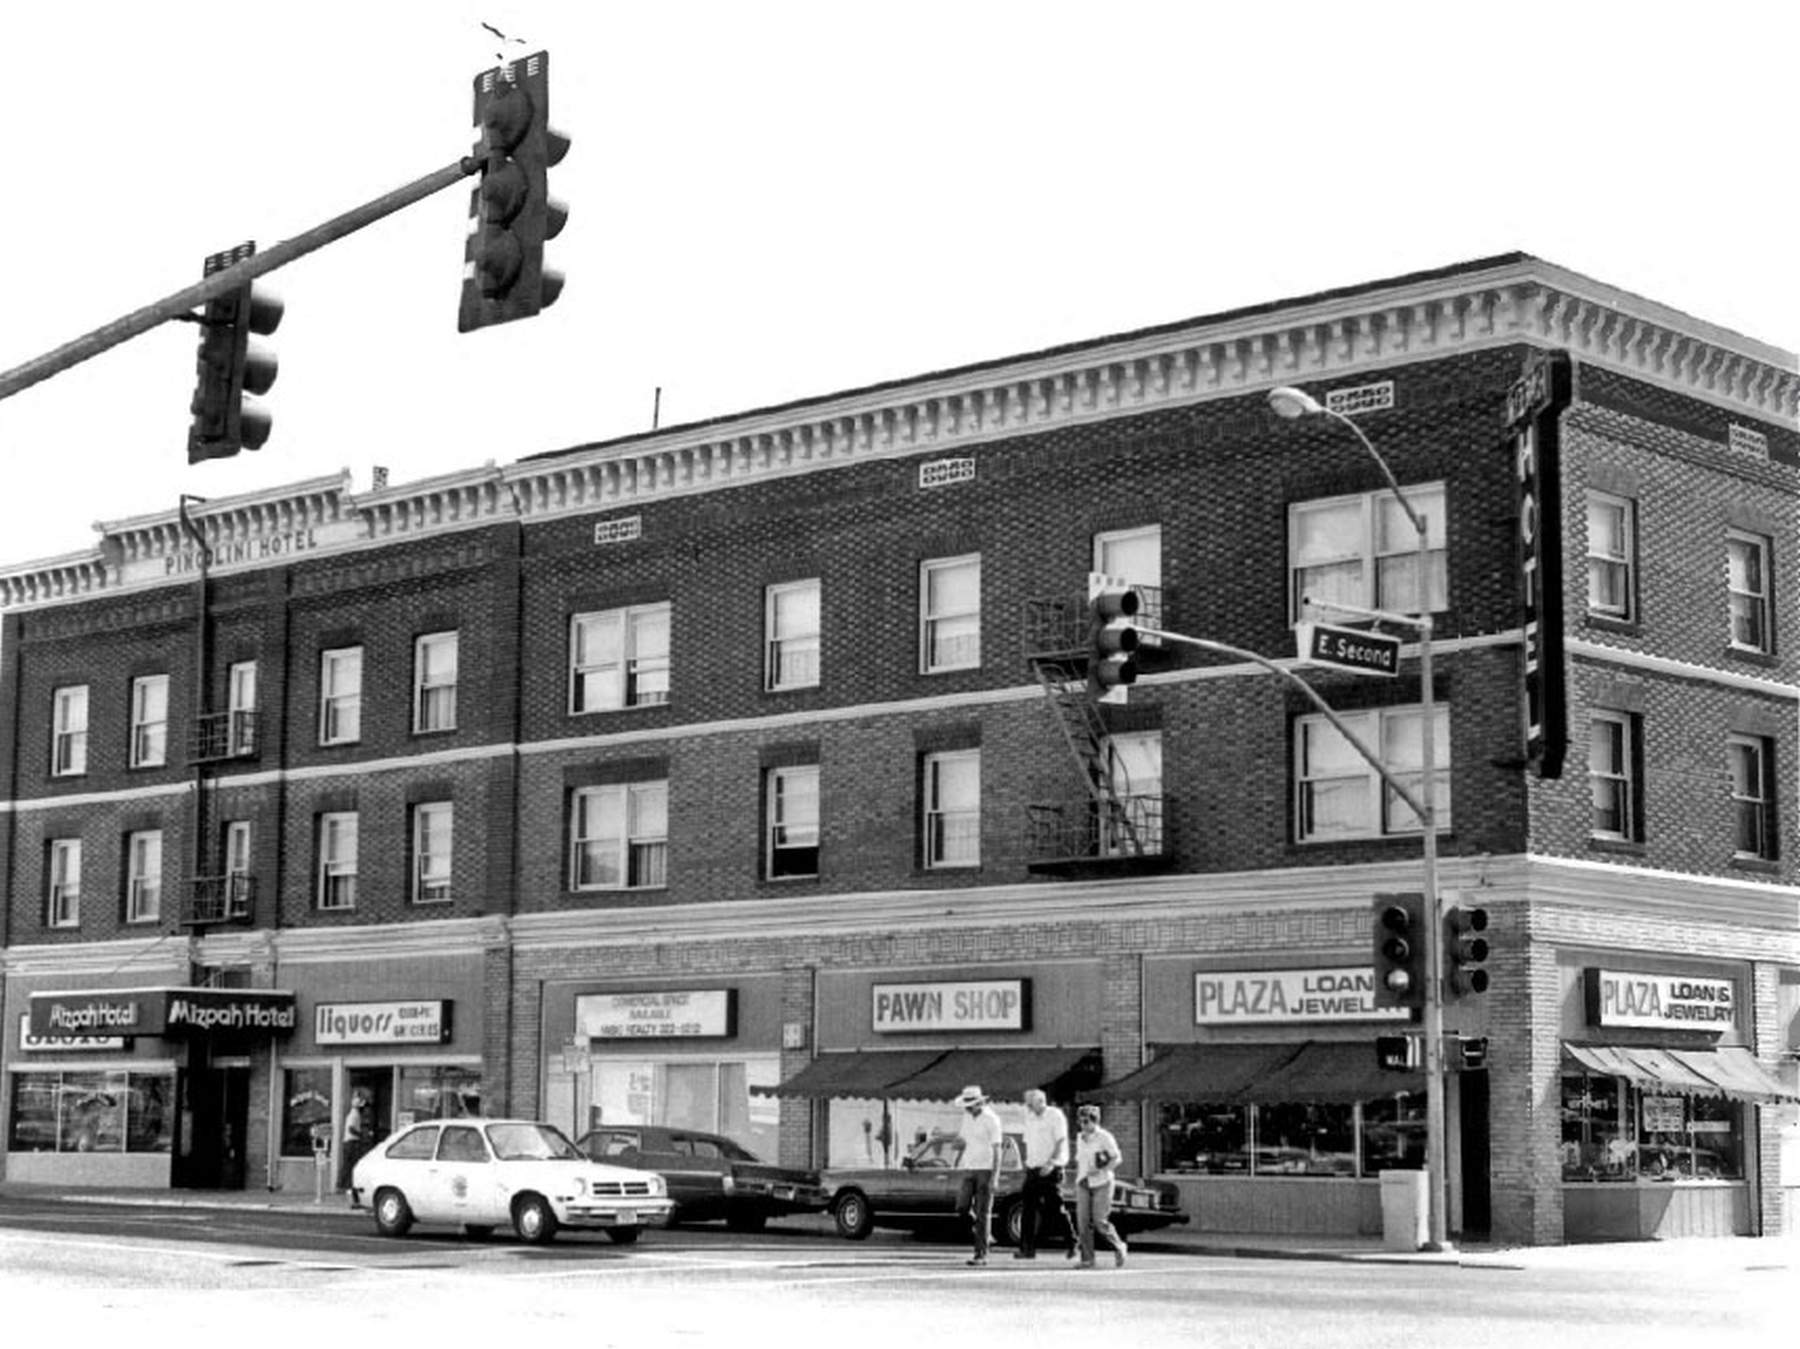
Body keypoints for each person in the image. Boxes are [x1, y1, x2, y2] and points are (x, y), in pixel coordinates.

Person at [1014, 1088, 1074, 1260]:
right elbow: (1027, 1142)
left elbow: (1061, 1140)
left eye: (1030, 1103)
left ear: (1040, 1101)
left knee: (1055, 1208)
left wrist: (1052, 1162)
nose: (1028, 1107)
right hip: (1033, 1167)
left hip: (1050, 1168)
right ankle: (1027, 1248)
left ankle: (1072, 1243)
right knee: (1028, 1210)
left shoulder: (1055, 1116)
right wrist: (1026, 1161)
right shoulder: (1029, 1118)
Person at [952, 1084, 1004, 1267]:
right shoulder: (967, 1117)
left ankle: (980, 1252)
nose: (968, 1108)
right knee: (962, 1206)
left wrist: (995, 1176)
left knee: (983, 1211)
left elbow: (998, 1149)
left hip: (986, 1169)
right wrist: (957, 1150)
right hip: (970, 1167)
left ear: (979, 1103)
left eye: (970, 1104)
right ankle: (983, 1233)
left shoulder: (991, 1119)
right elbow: (963, 1141)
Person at [1072, 1103, 1128, 1268]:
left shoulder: (1104, 1137)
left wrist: (1102, 1170)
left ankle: (1119, 1246)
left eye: (1087, 1121)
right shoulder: (1080, 1138)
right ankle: (1087, 1259)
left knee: (1099, 1221)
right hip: (1083, 1182)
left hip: (1102, 1183)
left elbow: (1116, 1158)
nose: (1083, 1125)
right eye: (1081, 1121)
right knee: (1082, 1221)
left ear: (1095, 1121)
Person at [338, 1090, 373, 1194]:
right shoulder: (354, 1114)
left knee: (349, 1164)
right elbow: (351, 1129)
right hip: (351, 1143)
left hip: (350, 1142)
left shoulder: (354, 1114)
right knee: (350, 1165)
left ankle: (345, 1184)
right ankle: (344, 1185)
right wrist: (361, 1135)